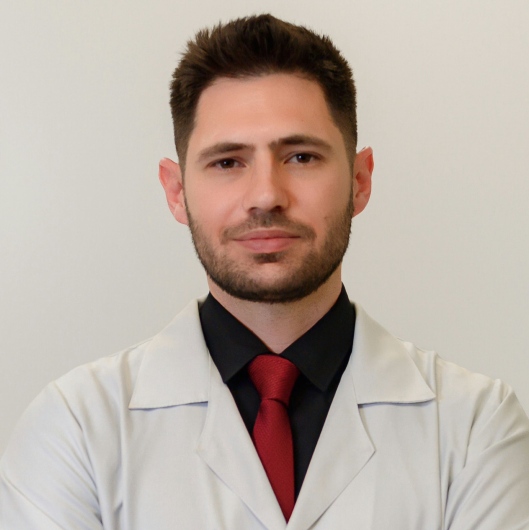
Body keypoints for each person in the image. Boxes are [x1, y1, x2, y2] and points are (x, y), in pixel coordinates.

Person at [1, 14, 528, 530]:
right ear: (177, 191)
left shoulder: (477, 426)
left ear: (360, 180)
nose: (266, 196)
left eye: (300, 157)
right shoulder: (75, 428)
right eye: (228, 162)